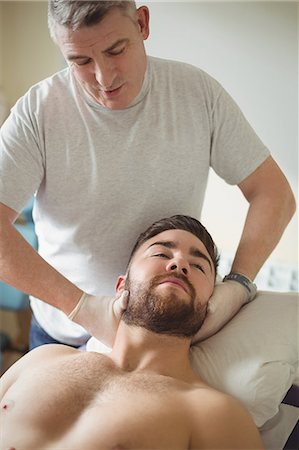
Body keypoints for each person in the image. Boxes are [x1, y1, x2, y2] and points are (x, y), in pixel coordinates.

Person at [0, 1, 295, 350]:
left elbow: (273, 193)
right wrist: (80, 306)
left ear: (142, 23)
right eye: (80, 61)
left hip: (165, 338)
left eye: (116, 50)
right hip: (64, 333)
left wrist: (238, 283)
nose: (103, 77)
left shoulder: (197, 94)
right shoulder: (39, 111)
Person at [0, 215, 264, 449]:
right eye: (161, 254)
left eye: (198, 266)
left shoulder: (215, 415)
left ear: (210, 305)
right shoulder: (43, 358)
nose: (180, 264)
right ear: (121, 285)